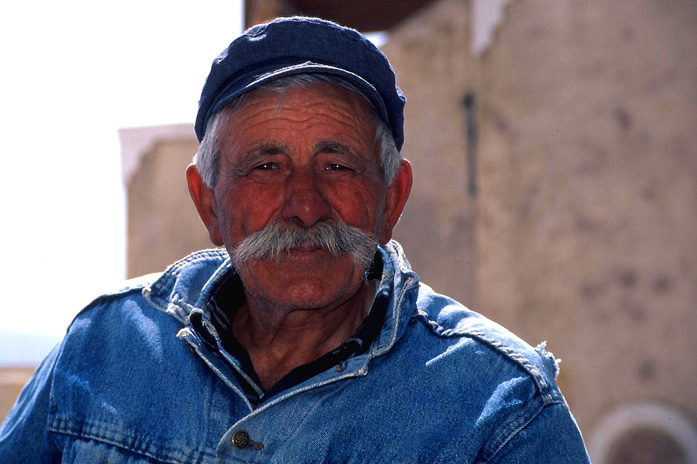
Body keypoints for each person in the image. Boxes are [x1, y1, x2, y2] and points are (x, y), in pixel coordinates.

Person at [0, 16, 591, 463]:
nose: (305, 206)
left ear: (392, 199)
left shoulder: (503, 413)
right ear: (207, 202)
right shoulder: (105, 345)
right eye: (265, 166)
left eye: (337, 165)